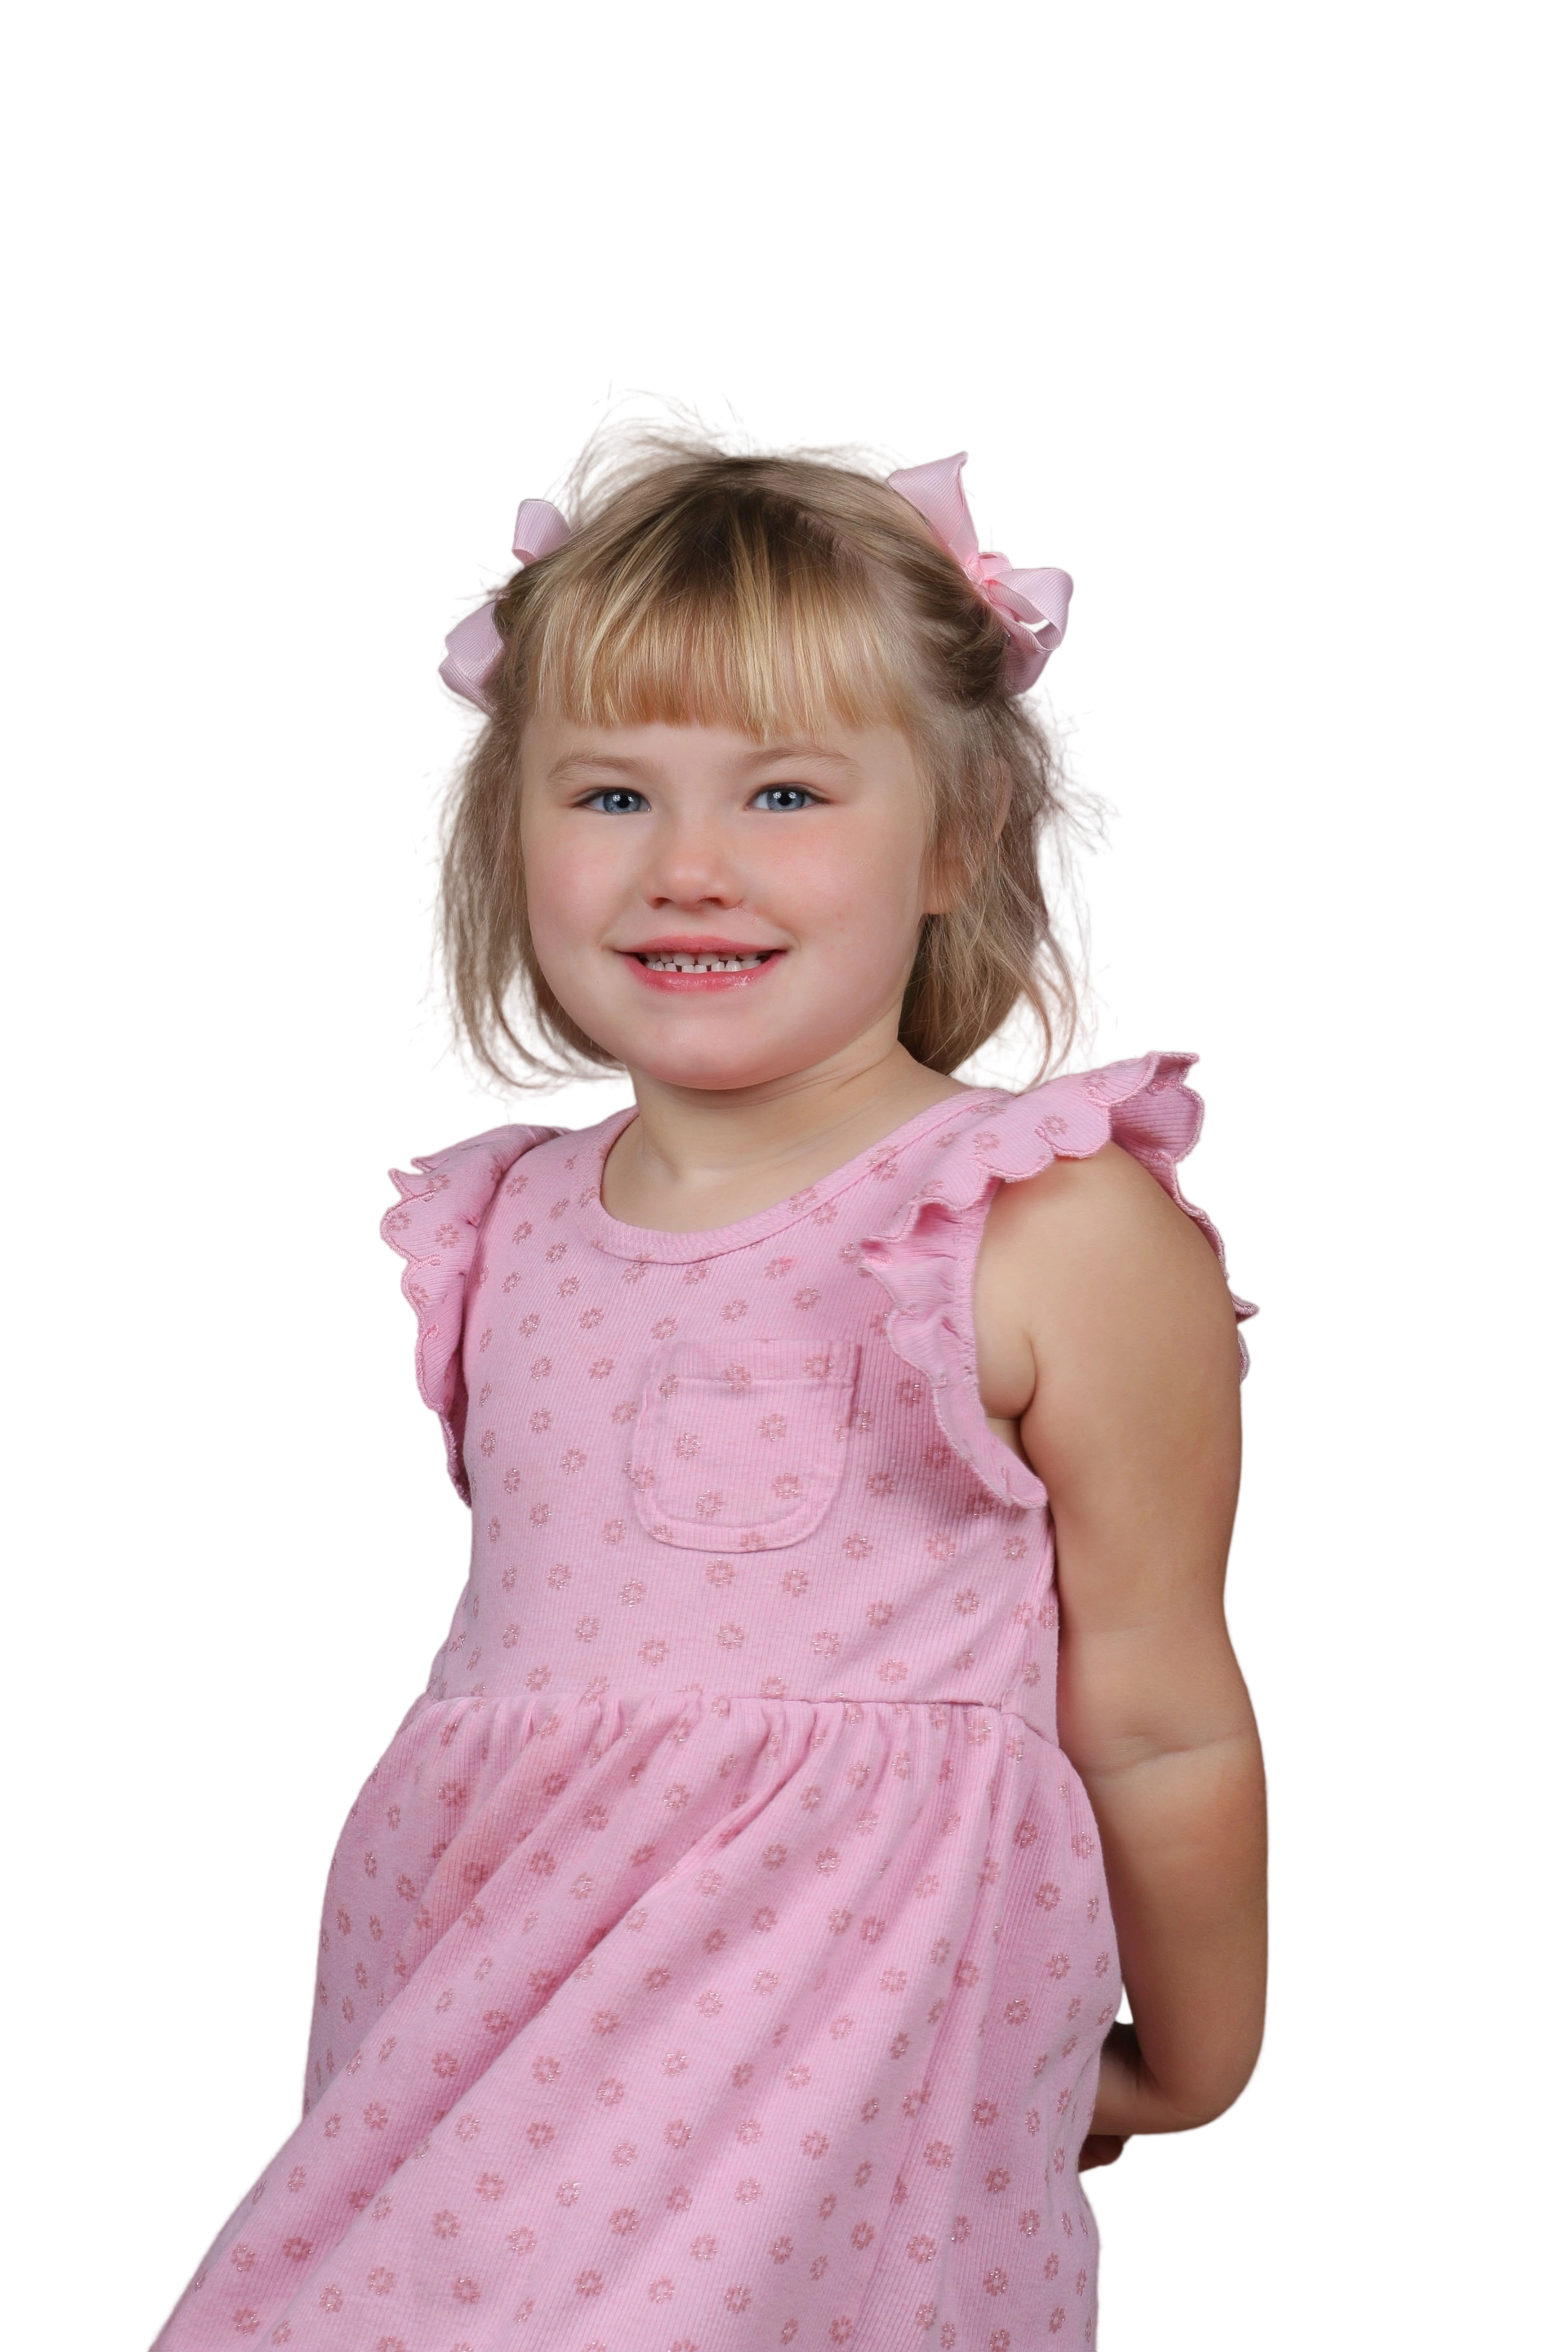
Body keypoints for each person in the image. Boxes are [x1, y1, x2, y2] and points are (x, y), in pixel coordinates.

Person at [149, 386, 1270, 2352]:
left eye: (784, 795)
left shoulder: (1038, 1227)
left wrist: (1200, 2046)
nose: (688, 866)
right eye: (611, 796)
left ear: (955, 836)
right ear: (510, 832)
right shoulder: (498, 1230)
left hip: (833, 2063)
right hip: (479, 2033)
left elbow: (1161, 1708)